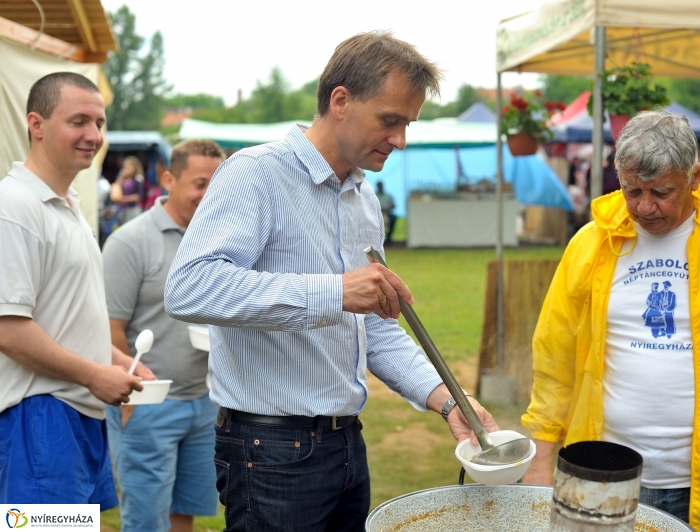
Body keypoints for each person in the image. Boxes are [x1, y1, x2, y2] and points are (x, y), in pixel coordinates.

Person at [164, 31, 499, 532]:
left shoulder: (363, 198)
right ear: (340, 100)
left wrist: (448, 399)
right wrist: (335, 290)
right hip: (269, 450)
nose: (401, 140)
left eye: (407, 123)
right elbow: (188, 286)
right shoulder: (255, 173)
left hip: (346, 445)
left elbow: (378, 329)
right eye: (391, 120)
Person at [521, 109, 700, 532]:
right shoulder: (591, 244)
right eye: (632, 190)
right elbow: (554, 358)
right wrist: (540, 457)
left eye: (661, 191)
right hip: (601, 481)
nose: (644, 207)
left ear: (696, 177)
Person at [0, 72, 153, 507]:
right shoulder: (14, 206)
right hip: (37, 417)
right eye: (79, 121)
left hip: (72, 414)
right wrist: (92, 375)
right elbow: (8, 330)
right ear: (37, 124)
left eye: (100, 123)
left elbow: (62, 318)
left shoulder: (67, 205)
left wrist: (118, 361)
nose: (94, 135)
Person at [102, 139, 226, 532]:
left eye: (218, 184)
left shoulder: (221, 241)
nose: (209, 195)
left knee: (183, 511)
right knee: (145, 519)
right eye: (200, 183)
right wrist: (129, 406)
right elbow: (110, 329)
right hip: (148, 405)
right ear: (168, 179)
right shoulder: (129, 241)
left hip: (205, 401)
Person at [110, 155, 145, 225]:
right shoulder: (122, 179)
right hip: (122, 210)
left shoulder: (138, 179)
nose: (127, 169)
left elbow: (138, 196)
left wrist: (123, 199)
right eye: (125, 167)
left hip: (132, 210)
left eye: (129, 167)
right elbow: (115, 188)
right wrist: (121, 176)